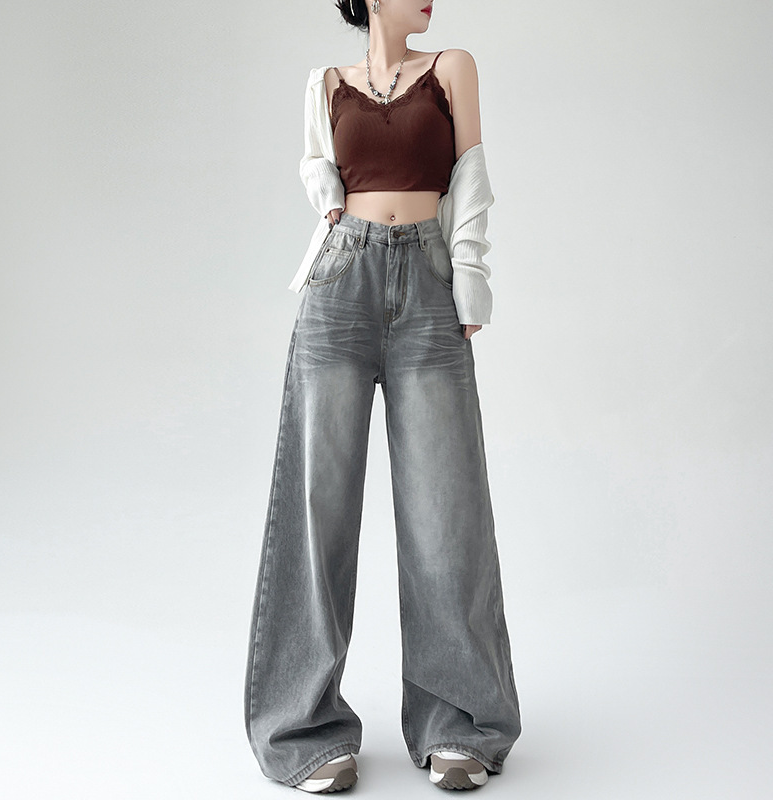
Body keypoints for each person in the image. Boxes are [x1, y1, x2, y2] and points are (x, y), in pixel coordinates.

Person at [244, 0, 521, 792]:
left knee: (445, 510)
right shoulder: (325, 83)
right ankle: (304, 730)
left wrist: (470, 277)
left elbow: (470, 176)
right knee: (317, 508)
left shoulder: (452, 69)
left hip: (428, 286)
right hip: (341, 284)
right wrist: (327, 194)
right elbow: (317, 165)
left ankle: (458, 722)